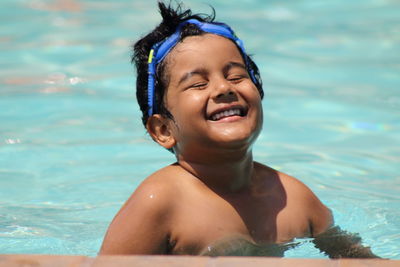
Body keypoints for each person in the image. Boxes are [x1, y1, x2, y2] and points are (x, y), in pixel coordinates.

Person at [99, 2, 378, 258]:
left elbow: (361, 262)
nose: (224, 88)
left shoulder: (293, 198)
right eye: (198, 84)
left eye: (236, 76)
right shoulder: (160, 203)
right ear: (162, 129)